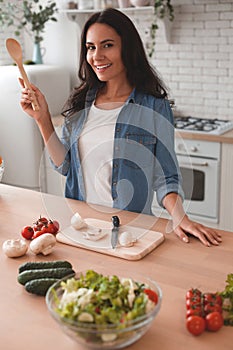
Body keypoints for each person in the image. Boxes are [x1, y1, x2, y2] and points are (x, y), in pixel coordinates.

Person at [19, 8, 222, 247]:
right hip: (81, 227)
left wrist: (180, 218)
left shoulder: (153, 106)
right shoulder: (79, 103)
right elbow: (65, 165)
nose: (96, 56)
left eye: (107, 45)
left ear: (127, 48)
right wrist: (42, 119)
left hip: (130, 231)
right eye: (91, 47)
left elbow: (166, 176)